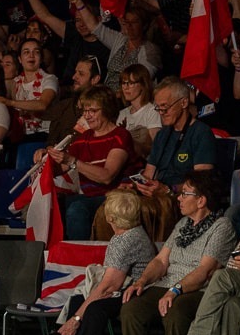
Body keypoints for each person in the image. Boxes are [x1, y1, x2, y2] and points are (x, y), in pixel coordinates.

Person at [119, 170, 236, 335]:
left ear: (201, 200)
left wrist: (175, 290)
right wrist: (142, 281)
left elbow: (204, 271)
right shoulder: (183, 224)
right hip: (167, 284)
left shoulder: (222, 227)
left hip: (197, 290)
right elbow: (161, 261)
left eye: (185, 194)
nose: (179, 198)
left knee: (175, 311)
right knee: (132, 307)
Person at [42, 190, 155, 335]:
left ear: (110, 217)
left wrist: (76, 319)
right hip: (125, 290)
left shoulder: (125, 240)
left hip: (136, 294)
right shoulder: (133, 233)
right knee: (78, 301)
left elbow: (109, 287)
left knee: (93, 309)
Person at [126, 77, 216, 242]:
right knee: (116, 202)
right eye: (158, 108)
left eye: (165, 108)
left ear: (183, 103)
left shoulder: (201, 133)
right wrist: (138, 184)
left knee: (142, 210)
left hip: (180, 198)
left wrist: (169, 190)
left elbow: (203, 182)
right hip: (158, 193)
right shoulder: (162, 134)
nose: (161, 113)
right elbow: (149, 173)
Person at [43, 85, 133, 241]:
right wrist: (45, 158)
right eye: (85, 111)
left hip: (113, 198)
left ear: (107, 109)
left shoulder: (120, 135)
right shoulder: (84, 138)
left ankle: (80, 256)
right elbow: (60, 167)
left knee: (77, 209)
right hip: (91, 197)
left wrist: (72, 160)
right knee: (50, 203)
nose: (87, 116)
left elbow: (107, 176)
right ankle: (56, 255)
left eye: (92, 111)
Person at [0, 38, 60, 139]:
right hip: (20, 135)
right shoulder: (16, 82)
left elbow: (43, 104)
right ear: (20, 59)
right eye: (26, 52)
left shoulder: (49, 79)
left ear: (41, 58)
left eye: (36, 52)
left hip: (44, 135)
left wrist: (10, 102)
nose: (31, 56)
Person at [97, 4, 161, 90]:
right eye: (127, 22)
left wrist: (118, 95)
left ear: (144, 25)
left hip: (128, 97)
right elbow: (95, 28)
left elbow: (141, 81)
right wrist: (79, 3)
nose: (129, 26)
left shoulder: (151, 50)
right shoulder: (120, 40)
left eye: (134, 22)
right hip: (107, 94)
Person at [116, 64, 160, 160]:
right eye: (123, 83)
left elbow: (156, 147)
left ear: (143, 85)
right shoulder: (122, 113)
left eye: (131, 83)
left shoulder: (152, 111)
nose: (125, 87)